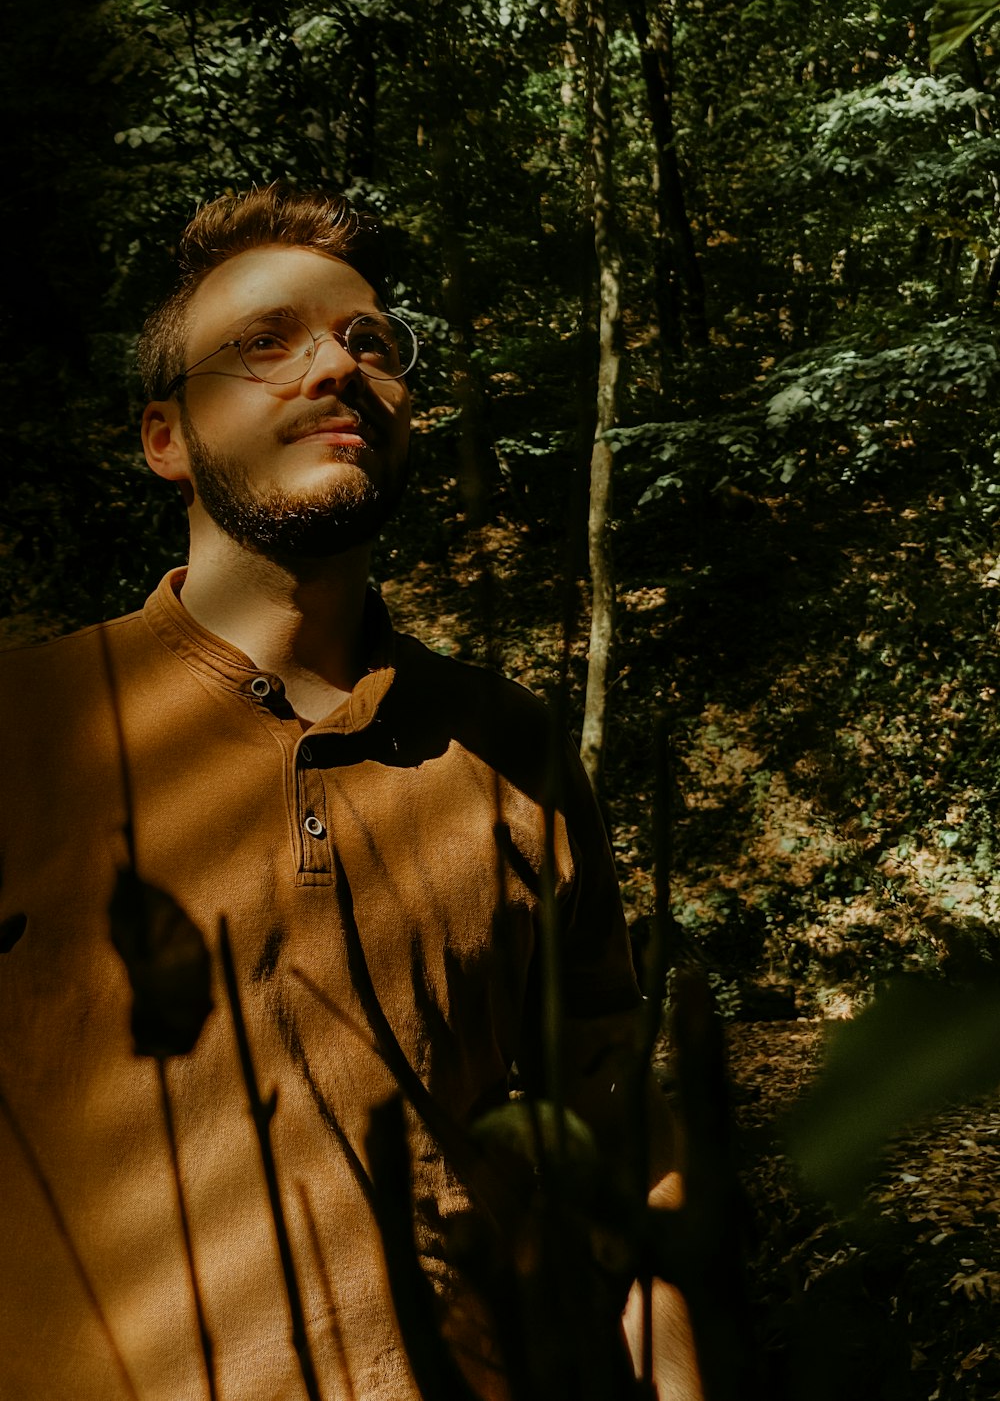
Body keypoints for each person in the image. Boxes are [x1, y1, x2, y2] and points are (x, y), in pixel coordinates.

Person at [0, 186, 701, 1400]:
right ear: (166, 437)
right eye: (267, 343)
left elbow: (619, 1130)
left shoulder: (511, 744)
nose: (336, 363)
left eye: (370, 341)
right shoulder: (30, 729)